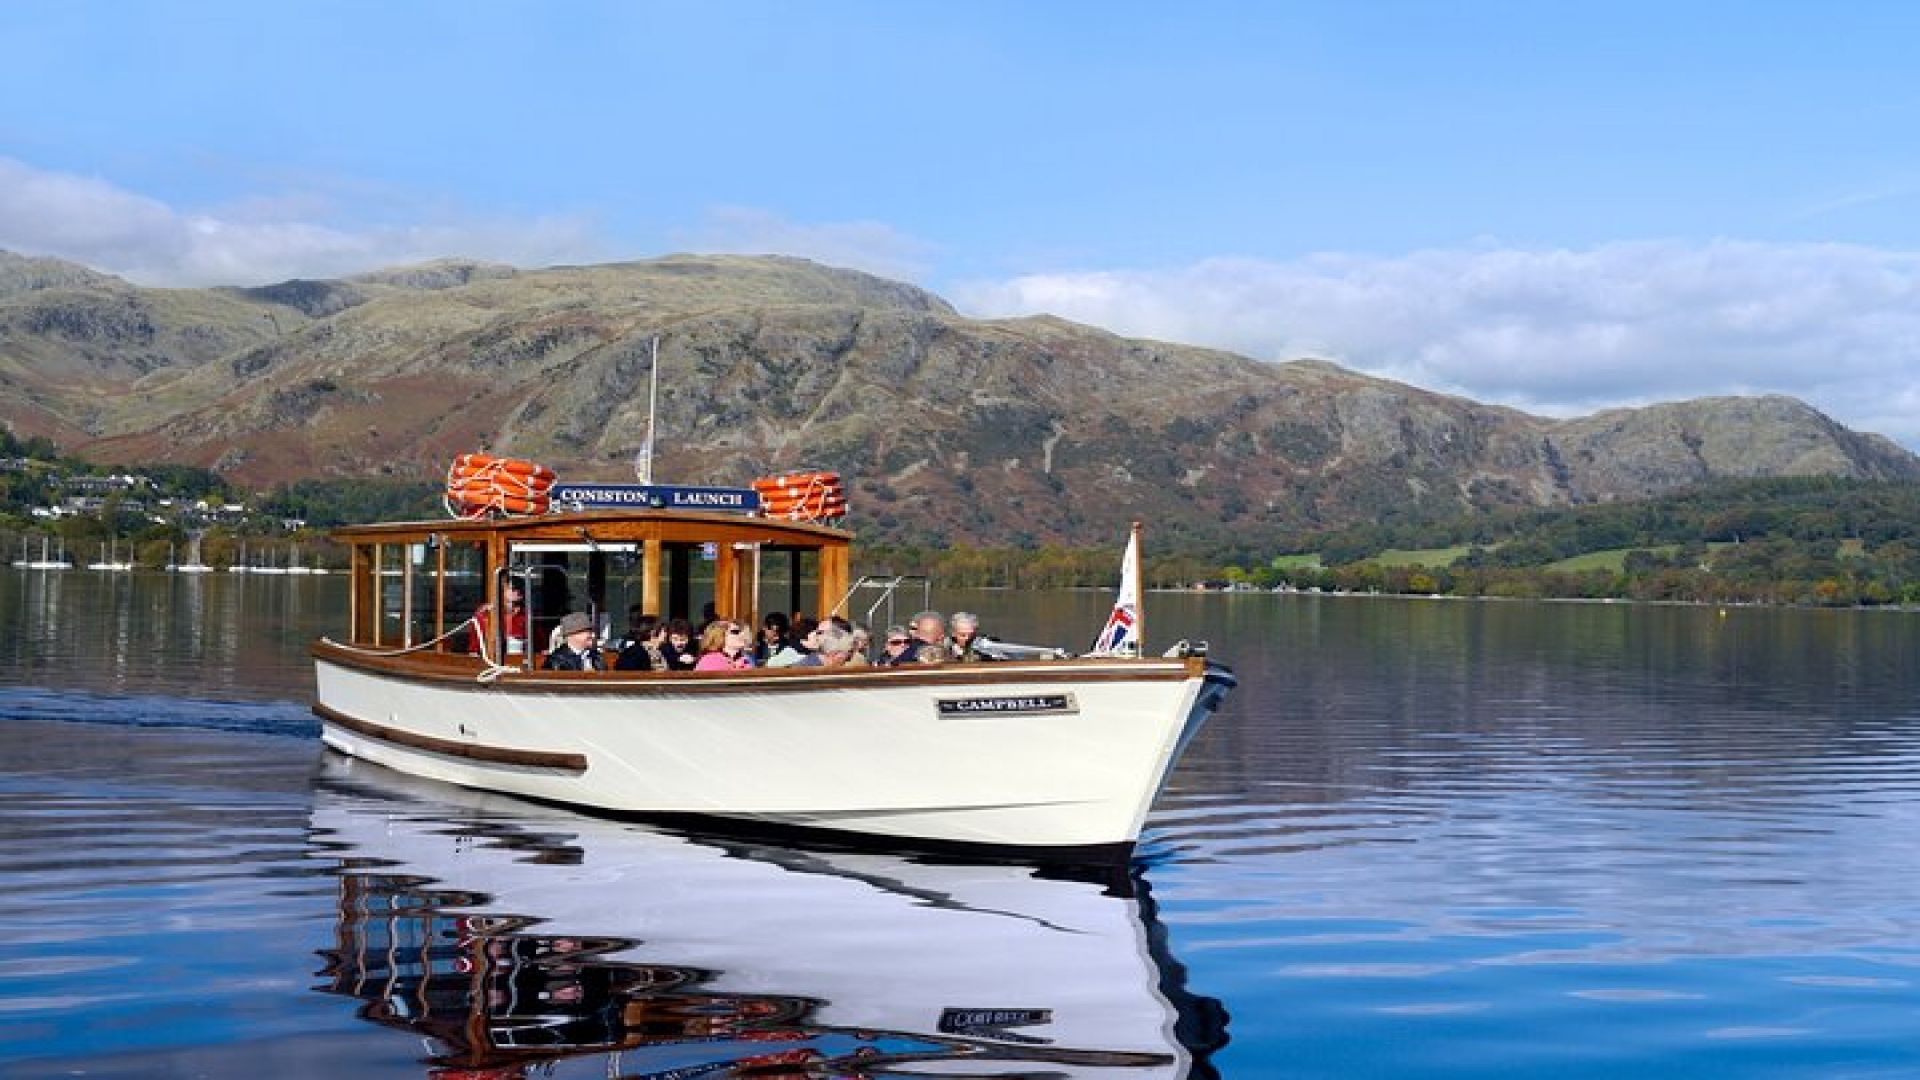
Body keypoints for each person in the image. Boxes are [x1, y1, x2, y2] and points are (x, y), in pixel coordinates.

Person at [469, 582, 528, 655]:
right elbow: (474, 646)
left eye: (520, 589)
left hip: (520, 660)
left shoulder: (526, 615)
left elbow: (538, 644)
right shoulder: (485, 614)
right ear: (501, 591)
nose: (518, 592)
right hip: (489, 659)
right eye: (513, 589)